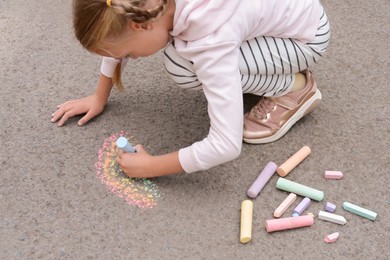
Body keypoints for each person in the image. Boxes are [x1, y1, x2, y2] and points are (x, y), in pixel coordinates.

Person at [51, 0, 330, 178]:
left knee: (185, 65)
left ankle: (293, 87)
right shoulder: (141, 7)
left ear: (141, 24)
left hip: (304, 38)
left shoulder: (209, 33)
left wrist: (153, 167)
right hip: (282, 17)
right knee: (181, 58)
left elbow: (225, 145)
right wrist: (99, 95)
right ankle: (264, 73)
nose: (129, 59)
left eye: (129, 54)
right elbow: (116, 20)